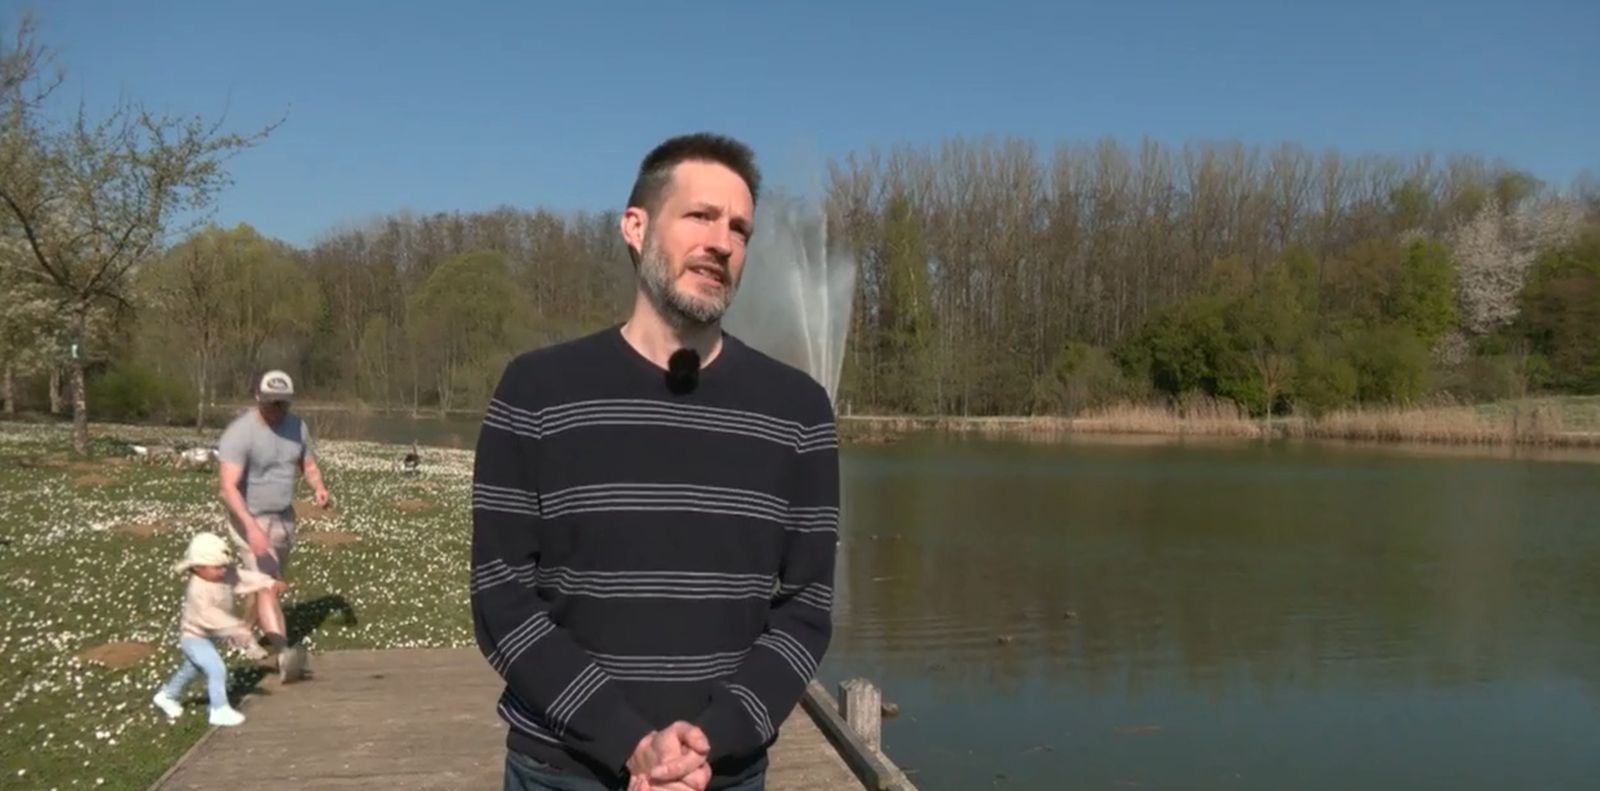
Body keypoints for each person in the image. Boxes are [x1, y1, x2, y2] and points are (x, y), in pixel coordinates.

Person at [471, 132, 840, 791]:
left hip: (720, 773)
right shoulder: (536, 391)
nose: (722, 242)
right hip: (562, 769)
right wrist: (627, 739)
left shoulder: (798, 411)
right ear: (635, 227)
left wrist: (712, 737)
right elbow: (501, 595)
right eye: (699, 216)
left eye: (740, 228)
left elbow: (805, 609)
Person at [216, 369, 324, 682]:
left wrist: (318, 487)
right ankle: (283, 653)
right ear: (258, 398)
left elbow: (309, 464)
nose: (278, 410)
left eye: (284, 404)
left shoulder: (297, 427)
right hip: (249, 520)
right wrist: (251, 529)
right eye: (272, 403)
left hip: (283, 518)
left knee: (265, 583)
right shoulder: (240, 433)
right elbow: (227, 487)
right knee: (268, 585)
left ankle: (243, 630)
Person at [151, 532, 286, 725]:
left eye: (224, 566)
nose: (223, 571)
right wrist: (237, 628)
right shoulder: (198, 591)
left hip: (211, 636)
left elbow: (243, 577)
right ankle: (219, 709)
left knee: (190, 669)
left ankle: (166, 695)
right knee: (216, 668)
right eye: (217, 567)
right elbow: (209, 616)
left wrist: (268, 582)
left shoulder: (223, 575)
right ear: (198, 568)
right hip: (194, 637)